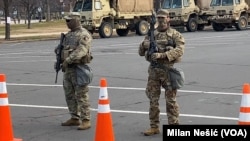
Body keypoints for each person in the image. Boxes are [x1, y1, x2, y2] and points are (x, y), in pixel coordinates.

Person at [138, 9, 185, 136]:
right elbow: (141, 52)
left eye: (163, 18)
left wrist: (162, 55)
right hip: (153, 72)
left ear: (168, 18)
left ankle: (174, 126)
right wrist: (144, 45)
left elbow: (180, 50)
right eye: (159, 18)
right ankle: (154, 126)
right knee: (153, 100)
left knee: (171, 101)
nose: (161, 20)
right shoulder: (151, 33)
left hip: (168, 72)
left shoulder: (175, 34)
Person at [54, 12, 93, 130]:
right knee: (69, 94)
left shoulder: (84, 34)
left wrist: (68, 60)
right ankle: (75, 117)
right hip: (68, 69)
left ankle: (86, 119)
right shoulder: (68, 35)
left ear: (76, 20)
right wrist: (59, 59)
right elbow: (59, 49)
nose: (67, 23)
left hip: (78, 68)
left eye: (69, 20)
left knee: (81, 94)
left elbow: (82, 51)